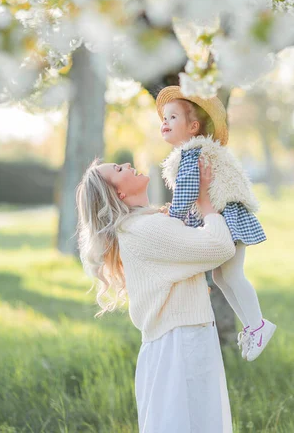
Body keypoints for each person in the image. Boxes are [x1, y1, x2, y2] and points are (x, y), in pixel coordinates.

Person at [76, 157, 236, 433]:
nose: (126, 164)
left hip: (177, 339)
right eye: (118, 169)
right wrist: (206, 204)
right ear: (119, 194)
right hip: (180, 343)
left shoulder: (144, 224)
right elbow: (219, 247)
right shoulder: (145, 230)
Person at [156, 85, 276, 362]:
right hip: (224, 216)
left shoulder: (193, 153)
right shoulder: (191, 153)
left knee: (232, 275)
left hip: (227, 216)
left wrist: (174, 217)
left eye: (173, 117)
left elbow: (187, 191)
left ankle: (258, 325)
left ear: (193, 127)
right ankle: (250, 326)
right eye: (164, 118)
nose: (165, 122)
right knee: (222, 277)